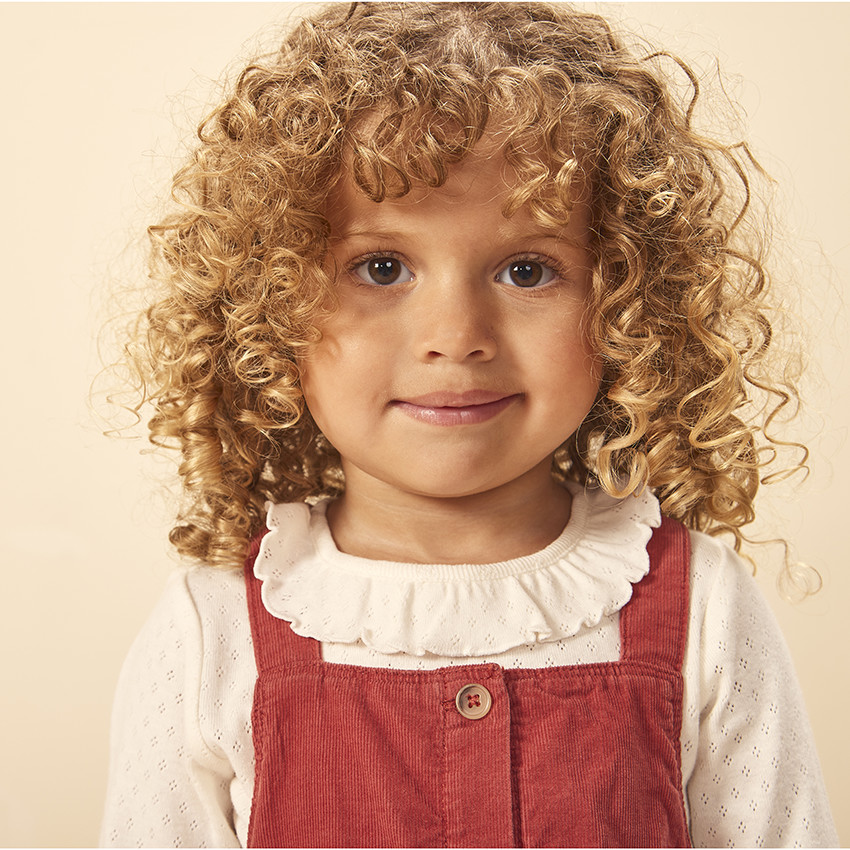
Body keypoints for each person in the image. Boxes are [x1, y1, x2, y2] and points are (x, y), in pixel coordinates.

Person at [100, 2, 838, 846]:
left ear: (630, 302)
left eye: (528, 269)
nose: (455, 338)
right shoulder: (213, 633)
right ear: (270, 308)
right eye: (381, 267)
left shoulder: (702, 607)